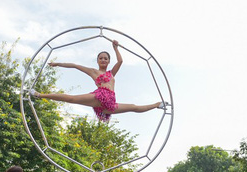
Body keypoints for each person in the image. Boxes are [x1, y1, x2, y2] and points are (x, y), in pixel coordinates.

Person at [32, 40, 164, 122]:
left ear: (108, 61)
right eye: (100, 58)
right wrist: (58, 64)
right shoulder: (93, 72)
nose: (103, 60)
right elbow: (75, 65)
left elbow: (120, 61)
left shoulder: (111, 73)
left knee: (133, 107)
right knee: (71, 99)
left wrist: (115, 48)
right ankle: (39, 95)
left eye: (106, 58)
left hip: (109, 104)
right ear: (97, 61)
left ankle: (157, 104)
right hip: (99, 97)